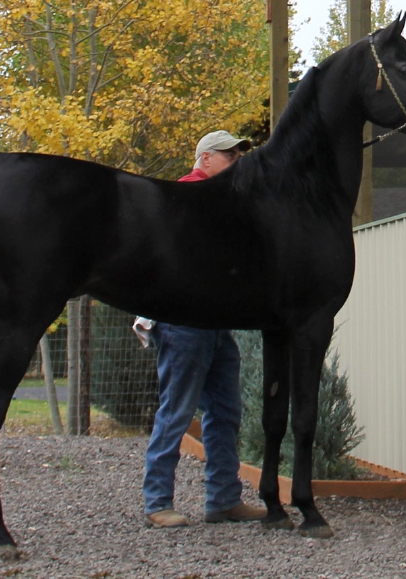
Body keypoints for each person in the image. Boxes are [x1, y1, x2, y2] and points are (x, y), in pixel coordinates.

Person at [135, 130, 266, 528]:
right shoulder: (188, 196)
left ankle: (223, 500)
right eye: (230, 157)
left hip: (212, 323)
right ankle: (157, 503)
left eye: (239, 156)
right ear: (206, 160)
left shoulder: (220, 199)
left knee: (225, 410)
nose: (237, 163)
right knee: (177, 411)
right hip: (183, 323)